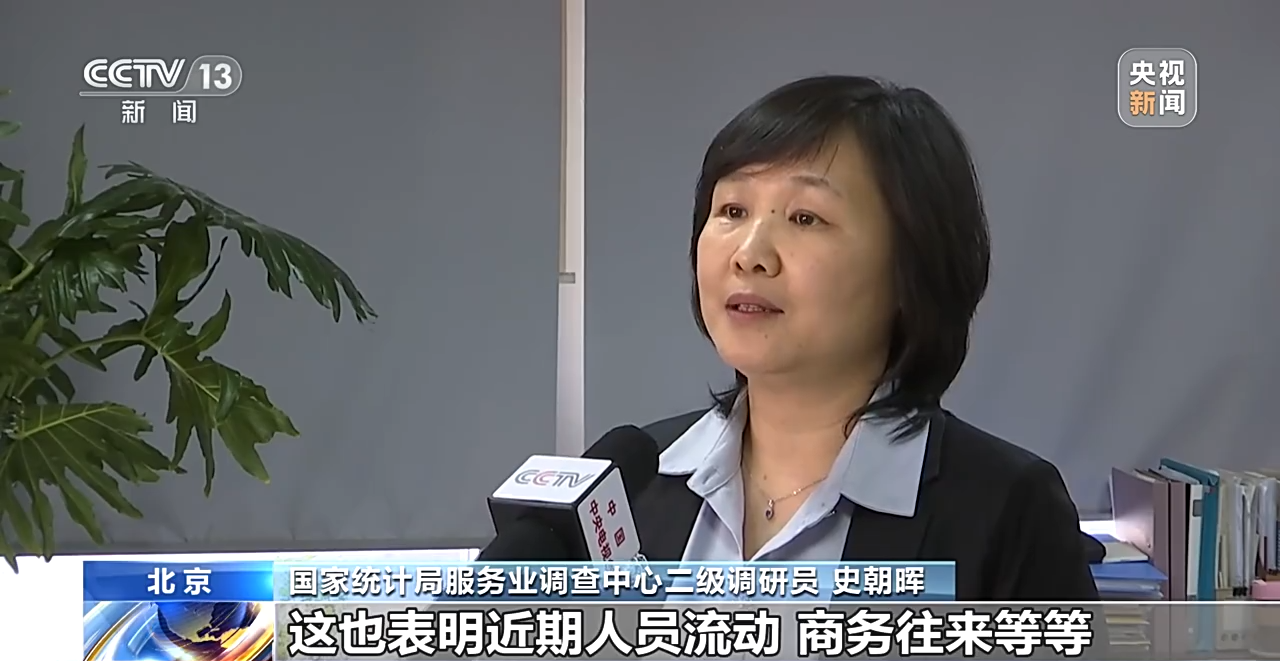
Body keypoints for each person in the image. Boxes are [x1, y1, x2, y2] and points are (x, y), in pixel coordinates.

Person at [631, 75, 1099, 601]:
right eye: (732, 211)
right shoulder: (630, 477)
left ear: (910, 267)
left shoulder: (1008, 511)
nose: (750, 254)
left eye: (805, 218)